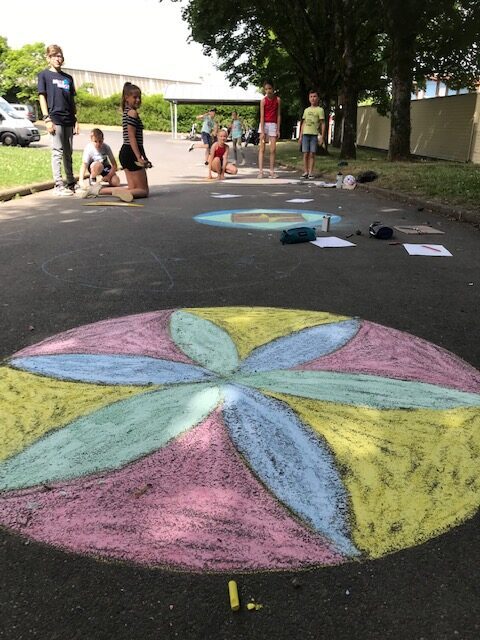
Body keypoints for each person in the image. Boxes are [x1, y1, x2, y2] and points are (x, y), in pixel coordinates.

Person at [83, 82, 149, 202]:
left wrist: (144, 157)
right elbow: (132, 137)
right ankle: (116, 192)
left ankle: (97, 190)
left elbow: (136, 139)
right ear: (126, 98)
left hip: (126, 152)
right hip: (131, 152)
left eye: (139, 97)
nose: (138, 100)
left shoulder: (126, 112)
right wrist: (139, 157)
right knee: (143, 191)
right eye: (135, 97)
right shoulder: (132, 113)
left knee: (133, 188)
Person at [38, 44, 79, 196]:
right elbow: (42, 97)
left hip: (69, 119)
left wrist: (76, 119)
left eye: (60, 56)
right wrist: (46, 118)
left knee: (68, 153)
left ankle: (71, 183)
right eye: (55, 56)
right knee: (57, 152)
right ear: (48, 58)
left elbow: (72, 101)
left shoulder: (68, 78)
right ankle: (58, 185)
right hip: (54, 118)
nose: (58, 58)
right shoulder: (44, 75)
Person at [299, 89, 325, 179]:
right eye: (311, 97)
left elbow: (322, 123)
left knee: (312, 153)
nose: (313, 98)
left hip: (314, 134)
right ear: (309, 98)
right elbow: (303, 123)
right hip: (305, 134)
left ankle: (311, 172)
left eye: (314, 96)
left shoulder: (320, 110)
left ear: (318, 98)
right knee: (305, 153)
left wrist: (322, 137)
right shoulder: (306, 110)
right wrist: (300, 136)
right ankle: (305, 171)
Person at [258, 81, 281, 179]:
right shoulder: (263, 101)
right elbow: (262, 116)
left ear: (273, 88)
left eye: (270, 89)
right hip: (264, 124)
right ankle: (261, 171)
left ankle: (272, 171)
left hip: (273, 124)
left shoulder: (278, 100)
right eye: (266, 89)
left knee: (273, 149)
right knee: (262, 148)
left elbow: (279, 115)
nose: (268, 91)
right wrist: (262, 131)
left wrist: (278, 129)